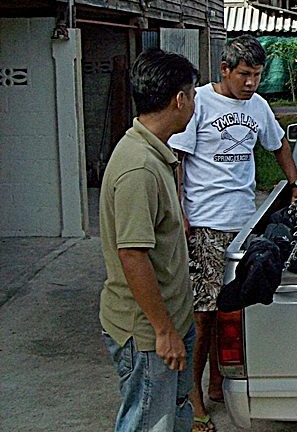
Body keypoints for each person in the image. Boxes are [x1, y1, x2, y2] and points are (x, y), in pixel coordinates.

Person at [169, 34, 297, 430]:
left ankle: (219, 383)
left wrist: (294, 184)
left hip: (244, 222)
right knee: (203, 316)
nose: (251, 83)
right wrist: (180, 210)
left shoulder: (258, 106)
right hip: (206, 222)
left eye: (257, 75)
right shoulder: (199, 102)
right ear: (225, 70)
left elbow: (278, 147)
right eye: (245, 75)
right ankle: (194, 398)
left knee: (231, 308)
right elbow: (177, 160)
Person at [99, 48, 198, 432]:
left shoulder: (155, 153)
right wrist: (163, 330)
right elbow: (133, 255)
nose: (193, 102)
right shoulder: (139, 167)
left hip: (171, 318)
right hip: (146, 332)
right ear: (179, 100)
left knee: (171, 413)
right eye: (191, 94)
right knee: (147, 421)